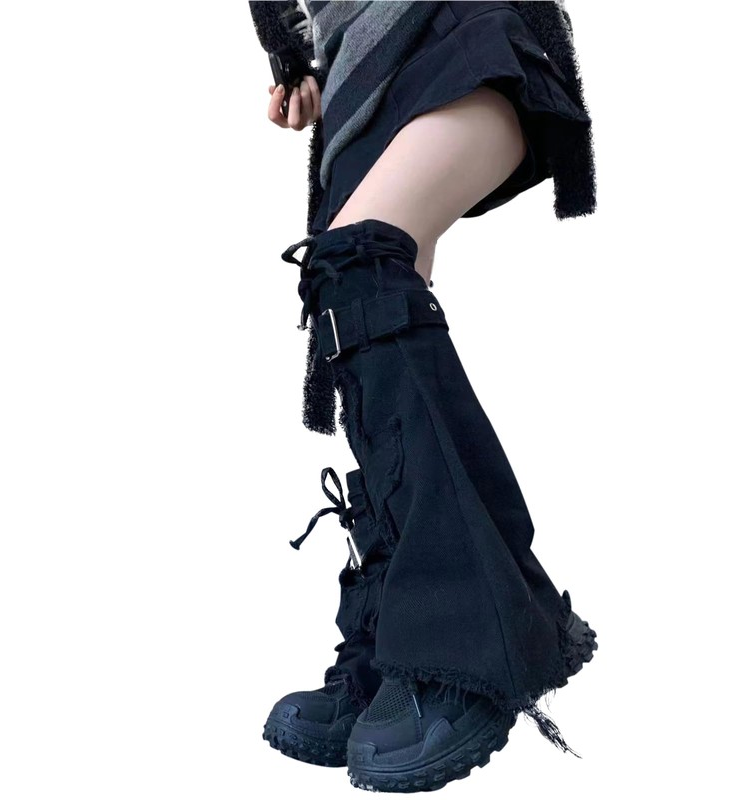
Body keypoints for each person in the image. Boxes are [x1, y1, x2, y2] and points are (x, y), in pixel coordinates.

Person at [249, 1, 598, 792]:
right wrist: (292, 58)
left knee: (358, 274)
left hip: (454, 26)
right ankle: (396, 640)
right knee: (361, 320)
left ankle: (472, 641)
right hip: (362, 86)